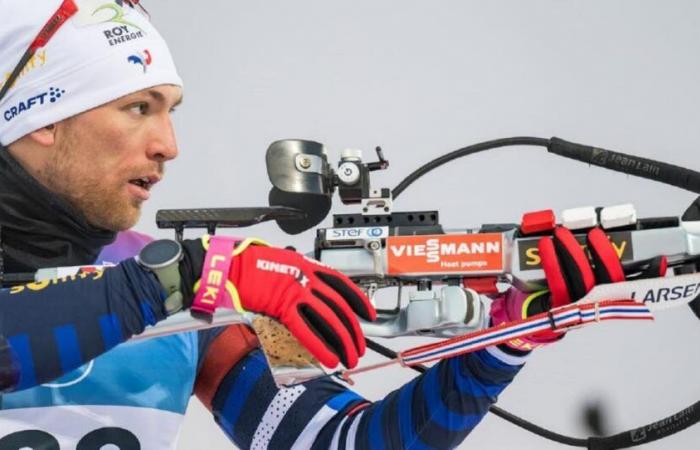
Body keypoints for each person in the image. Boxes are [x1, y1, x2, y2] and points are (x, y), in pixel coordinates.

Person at [0, 1, 643, 448]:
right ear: (42, 118)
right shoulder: (172, 280)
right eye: (138, 107)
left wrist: (501, 342)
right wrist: (183, 277)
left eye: (170, 111)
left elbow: (339, 441)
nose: (169, 144)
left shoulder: (170, 284)